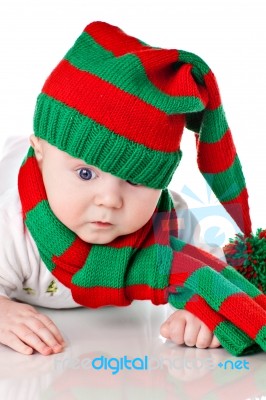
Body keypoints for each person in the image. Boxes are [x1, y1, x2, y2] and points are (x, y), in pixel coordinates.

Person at [0, 21, 265, 357]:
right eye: (85, 173)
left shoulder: (171, 224)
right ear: (41, 155)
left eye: (135, 180)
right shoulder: (13, 225)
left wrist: (195, 314)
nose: (110, 200)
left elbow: (210, 274)